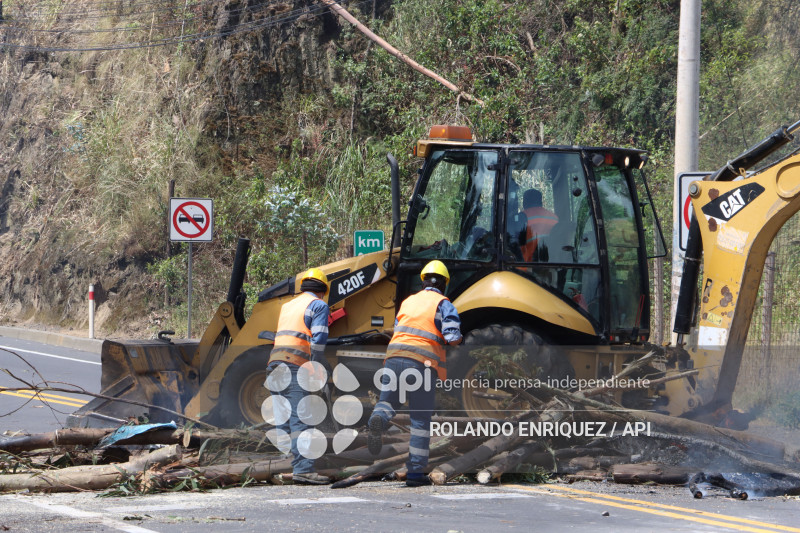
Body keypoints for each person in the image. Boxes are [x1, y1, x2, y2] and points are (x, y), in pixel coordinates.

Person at [366, 260, 462, 487]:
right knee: (420, 419)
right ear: (444, 283)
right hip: (422, 363)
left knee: (387, 402)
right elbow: (452, 337)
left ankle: (377, 418)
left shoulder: (408, 302)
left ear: (423, 281)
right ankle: (416, 473)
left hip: (394, 358)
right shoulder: (443, 304)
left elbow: (399, 327)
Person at [266, 267, 332, 485]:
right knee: (300, 417)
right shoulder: (319, 305)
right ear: (323, 290)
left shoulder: (288, 305)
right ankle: (303, 469)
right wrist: (320, 365)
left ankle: (285, 465)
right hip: (294, 365)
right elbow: (318, 339)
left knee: (282, 417)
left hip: (274, 363)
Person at [521, 188, 558, 262]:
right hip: (552, 261)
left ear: (524, 202)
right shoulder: (554, 218)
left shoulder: (520, 218)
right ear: (541, 202)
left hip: (526, 264)